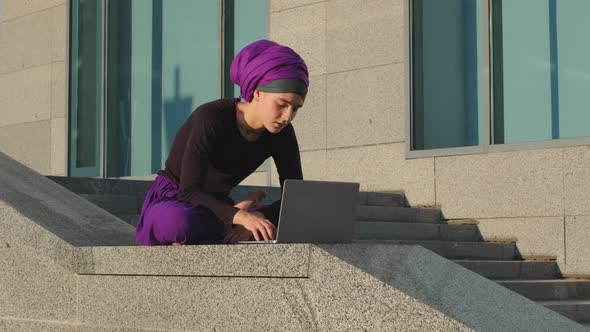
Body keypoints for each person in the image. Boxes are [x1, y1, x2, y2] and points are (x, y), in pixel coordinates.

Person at [135, 39, 309, 246]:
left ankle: (238, 215)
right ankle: (238, 214)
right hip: (175, 199)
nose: (288, 116)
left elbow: (296, 197)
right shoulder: (211, 116)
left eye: (296, 108)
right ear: (258, 93)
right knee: (181, 222)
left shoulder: (283, 133)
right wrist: (242, 217)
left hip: (218, 206)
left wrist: (260, 215)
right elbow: (189, 191)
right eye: (282, 104)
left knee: (308, 214)